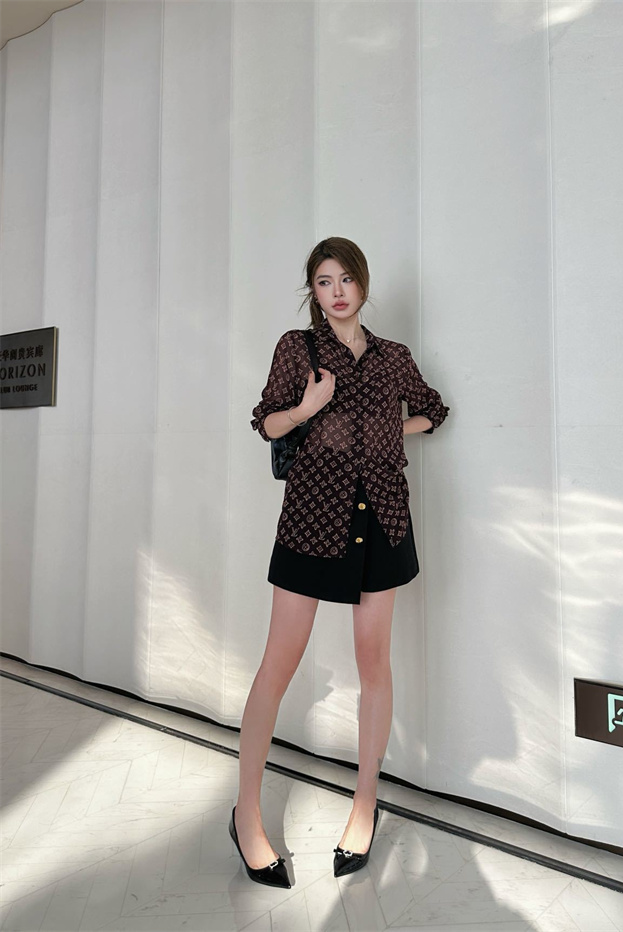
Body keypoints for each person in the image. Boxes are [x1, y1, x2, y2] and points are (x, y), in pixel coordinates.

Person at [230, 237, 450, 888]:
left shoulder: (394, 357)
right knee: (277, 664)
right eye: (324, 281)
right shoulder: (297, 349)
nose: (337, 291)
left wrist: (387, 434)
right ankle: (246, 814)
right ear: (313, 291)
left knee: (373, 663)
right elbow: (267, 422)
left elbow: (433, 411)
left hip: (382, 518)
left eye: (346, 278)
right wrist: (307, 408)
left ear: (363, 284)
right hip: (312, 519)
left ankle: (364, 805)